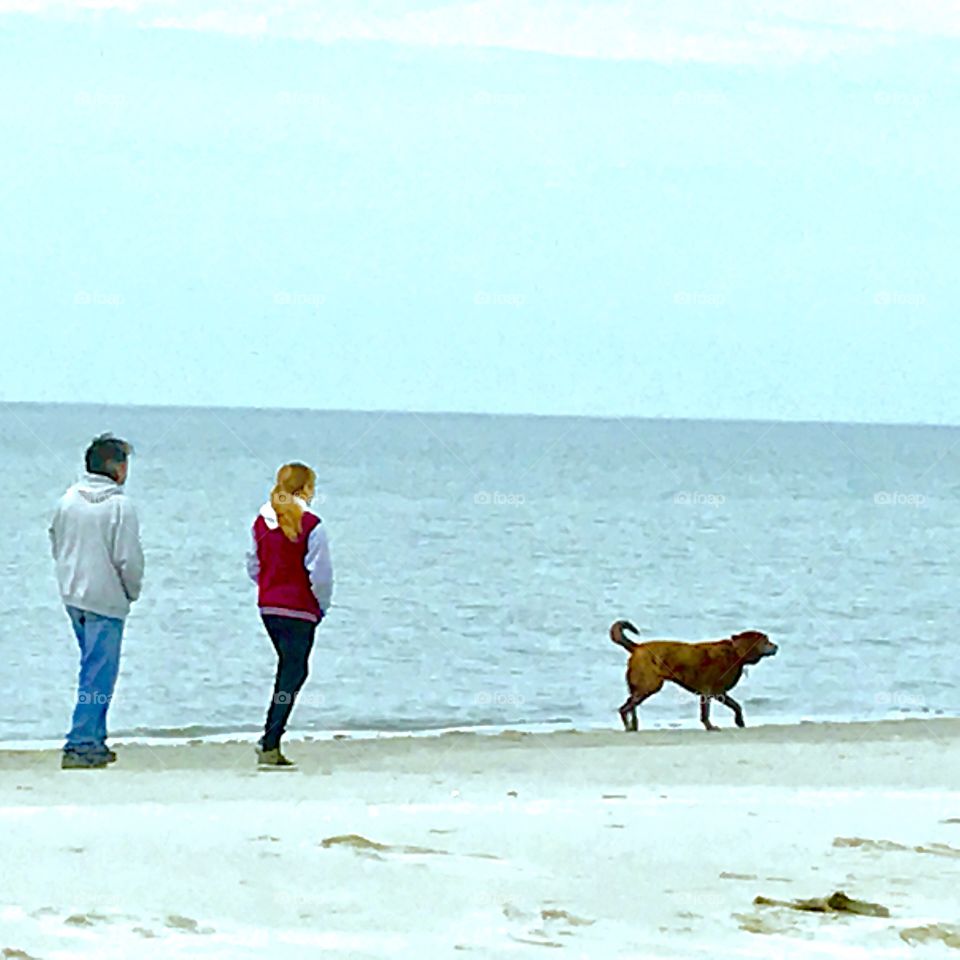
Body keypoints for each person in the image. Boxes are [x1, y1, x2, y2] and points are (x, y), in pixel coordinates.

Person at [49, 434, 144, 769]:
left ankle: (94, 737)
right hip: (105, 598)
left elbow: (56, 541)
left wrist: (67, 578)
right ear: (117, 468)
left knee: (92, 669)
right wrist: (131, 591)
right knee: (99, 674)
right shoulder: (119, 506)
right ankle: (82, 741)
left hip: (74, 594)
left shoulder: (69, 500)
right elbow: (128, 559)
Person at [247, 462, 333, 767]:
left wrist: (269, 587)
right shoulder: (312, 525)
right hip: (299, 608)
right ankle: (270, 740)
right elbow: (320, 575)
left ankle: (271, 738)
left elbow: (253, 565)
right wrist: (321, 606)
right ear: (305, 489)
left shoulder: (261, 522)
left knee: (289, 669)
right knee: (293, 672)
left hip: (269, 606)